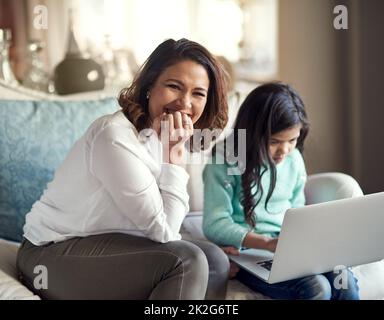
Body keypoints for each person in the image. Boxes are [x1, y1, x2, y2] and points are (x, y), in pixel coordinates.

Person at [17, 38, 230, 300]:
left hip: (112, 246)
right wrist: (173, 155)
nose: (185, 103)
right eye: (175, 86)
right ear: (149, 86)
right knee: (187, 261)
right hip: (49, 256)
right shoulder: (114, 135)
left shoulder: (163, 135)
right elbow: (164, 233)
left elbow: (164, 229)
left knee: (216, 261)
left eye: (198, 93)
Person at [202, 82, 360, 300]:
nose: (284, 150)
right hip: (249, 252)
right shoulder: (223, 159)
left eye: (292, 140)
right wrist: (267, 244)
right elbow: (215, 222)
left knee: (344, 281)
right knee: (316, 289)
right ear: (250, 134)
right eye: (274, 141)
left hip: (288, 249)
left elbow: (297, 209)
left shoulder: (293, 159)